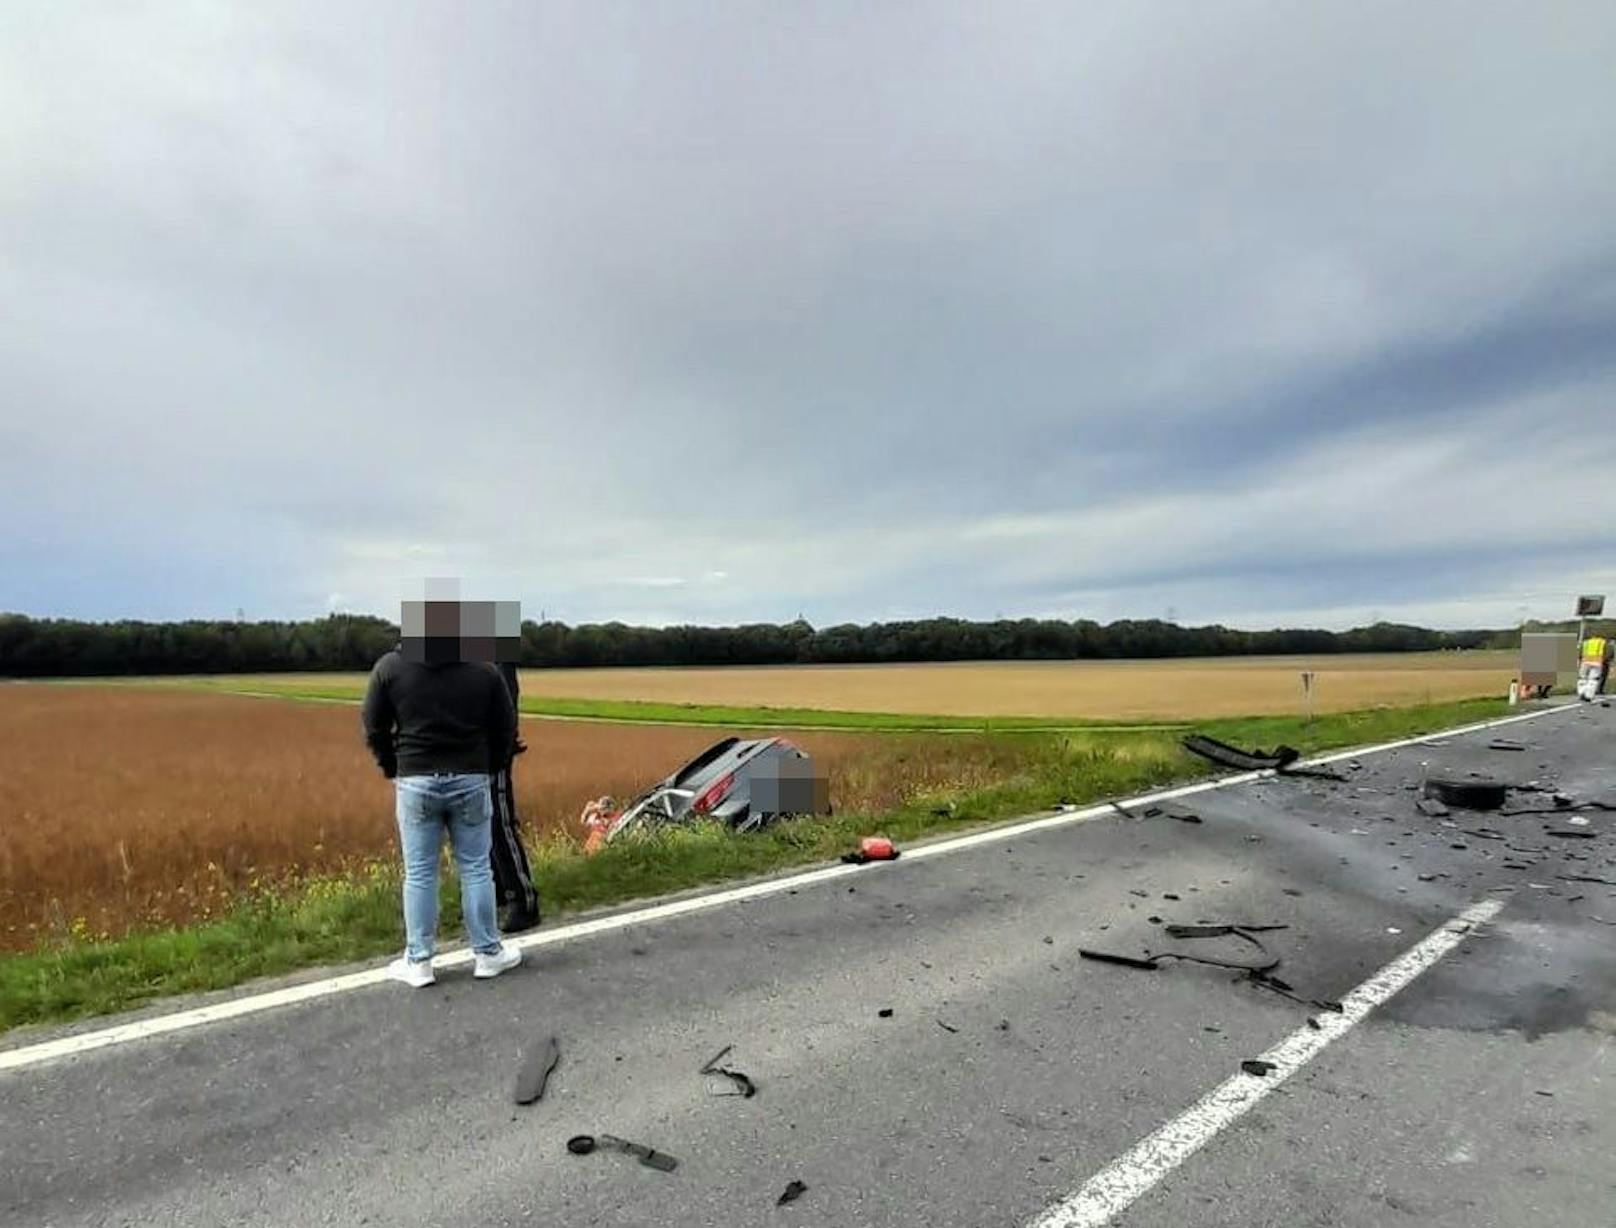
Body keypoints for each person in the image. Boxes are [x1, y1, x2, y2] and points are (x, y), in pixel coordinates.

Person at [362, 630, 523, 988]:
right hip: (470, 778)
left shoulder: (390, 667)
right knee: (477, 868)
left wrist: (392, 766)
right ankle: (487, 954)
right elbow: (504, 726)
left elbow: (373, 726)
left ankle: (419, 962)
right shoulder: (483, 671)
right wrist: (491, 765)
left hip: (415, 779)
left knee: (419, 873)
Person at [489, 660, 541, 931]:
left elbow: (507, 691)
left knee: (500, 823)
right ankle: (496, 891)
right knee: (481, 822)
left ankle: (523, 900)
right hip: (470, 748)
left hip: (493, 750)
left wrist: (505, 740)